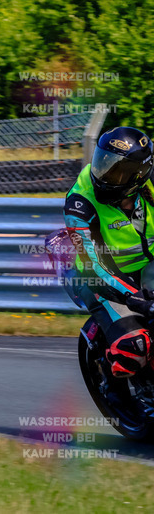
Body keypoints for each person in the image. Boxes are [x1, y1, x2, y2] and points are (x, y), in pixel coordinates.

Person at [62, 126, 154, 378]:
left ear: (139, 174)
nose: (104, 175)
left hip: (146, 268)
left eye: (117, 171)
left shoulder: (150, 187)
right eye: (103, 163)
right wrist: (136, 297)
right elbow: (93, 264)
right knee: (134, 347)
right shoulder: (80, 203)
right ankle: (122, 401)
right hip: (98, 281)